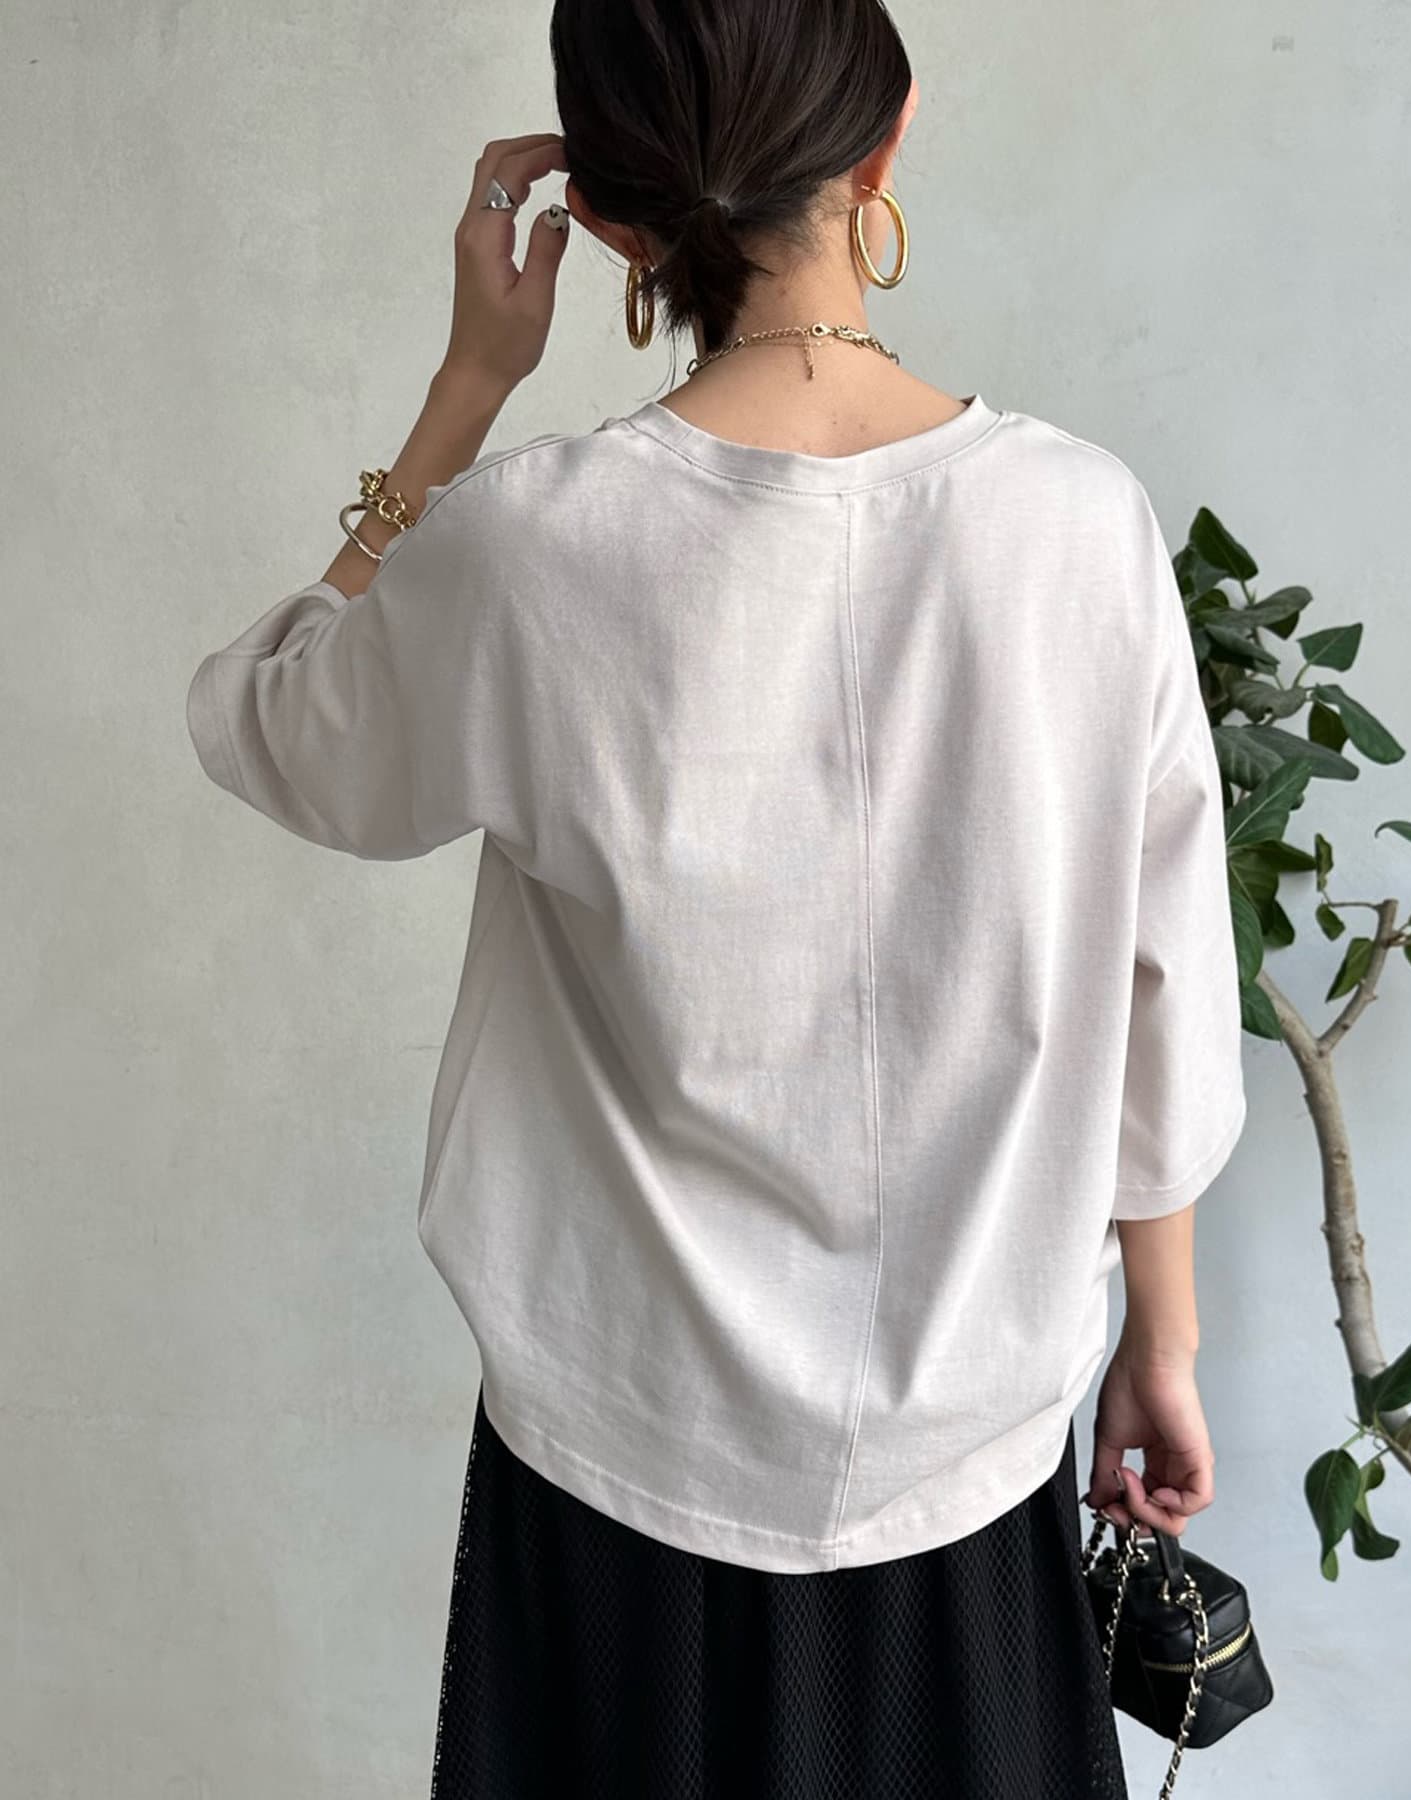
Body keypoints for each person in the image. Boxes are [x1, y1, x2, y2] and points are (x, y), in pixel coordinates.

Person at [185, 2, 1247, 1794]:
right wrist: (1167, 1340)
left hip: (619, 1463)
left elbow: (271, 724)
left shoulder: (530, 544)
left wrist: (464, 392)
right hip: (974, 1465)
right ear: (887, 138)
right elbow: (1166, 983)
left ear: (609, 216)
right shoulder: (1082, 524)